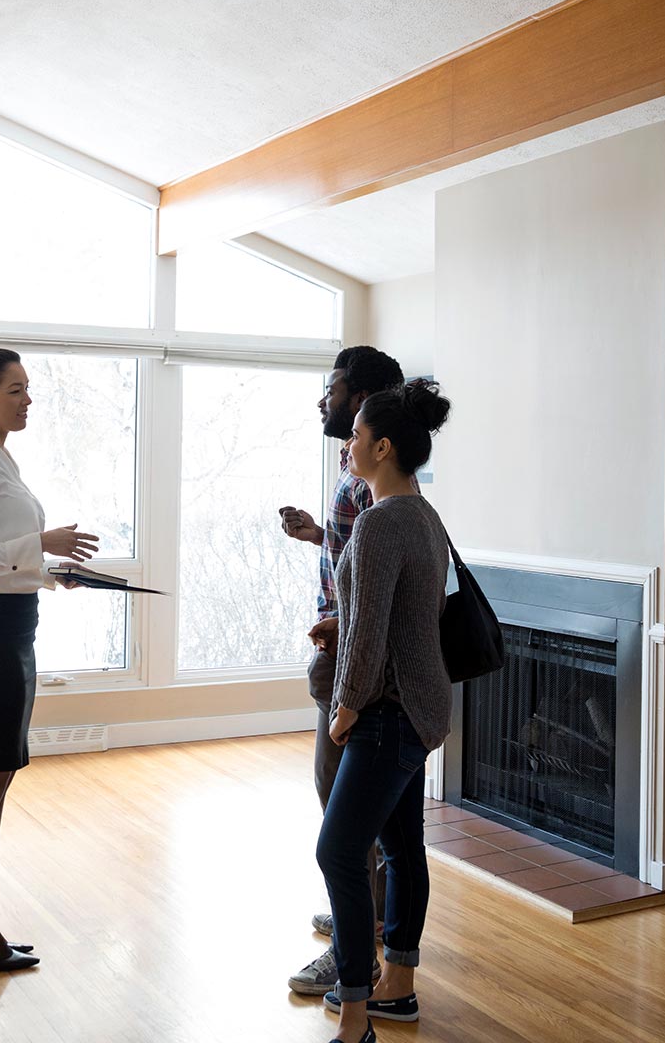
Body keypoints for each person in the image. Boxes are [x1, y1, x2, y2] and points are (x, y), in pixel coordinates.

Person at [0, 347, 99, 973]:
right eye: (15, 390)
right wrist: (39, 543)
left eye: (28, 389)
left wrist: (50, 571)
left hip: (11, 633)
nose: (28, 400)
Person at [317, 379, 453, 1042]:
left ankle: (354, 1016)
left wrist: (345, 709)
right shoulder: (425, 514)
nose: (349, 444)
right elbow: (403, 618)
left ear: (384, 446)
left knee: (339, 853)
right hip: (422, 709)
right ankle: (397, 986)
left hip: (386, 713)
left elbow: (368, 637)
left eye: (358, 434)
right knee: (402, 848)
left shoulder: (377, 522)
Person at [277, 346, 403, 996]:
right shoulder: (359, 474)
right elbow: (356, 561)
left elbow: (378, 588)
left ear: (361, 399)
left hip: (352, 663)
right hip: (342, 653)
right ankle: (369, 919)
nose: (324, 402)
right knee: (346, 810)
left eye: (333, 391)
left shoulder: (373, 481)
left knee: (346, 817)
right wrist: (313, 535)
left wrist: (343, 644)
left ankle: (363, 947)